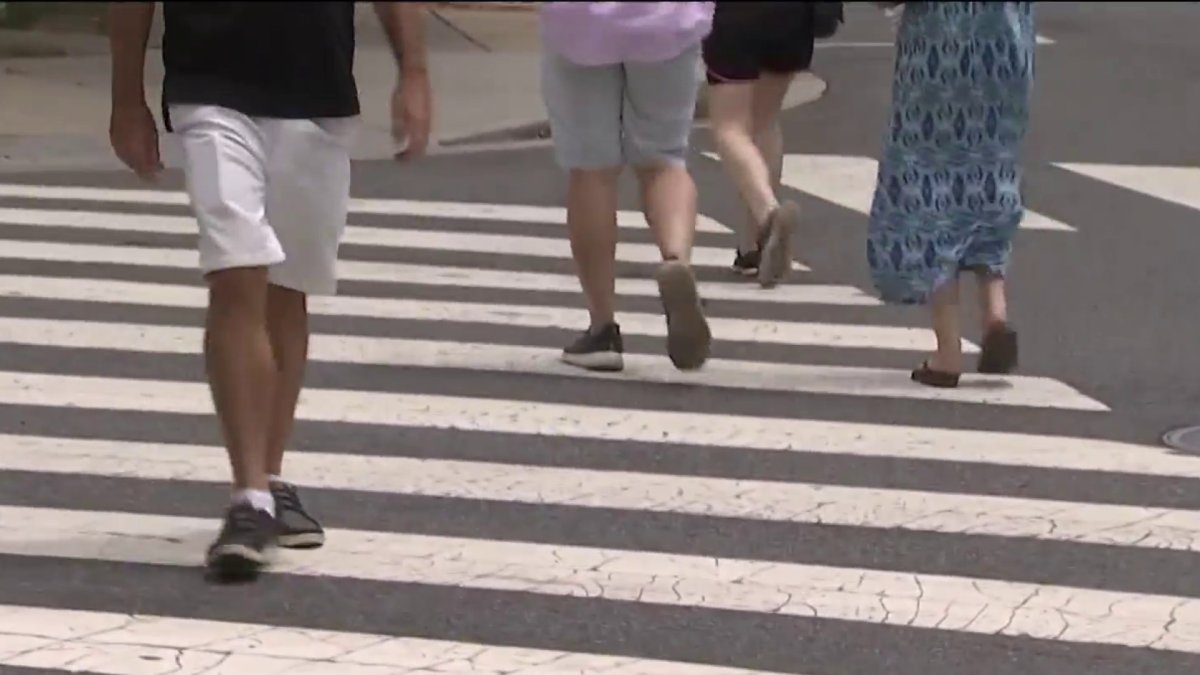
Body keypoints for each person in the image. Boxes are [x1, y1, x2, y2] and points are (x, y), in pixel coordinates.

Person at [107, 1, 432, 580]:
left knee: (287, 288)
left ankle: (270, 477)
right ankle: (249, 495)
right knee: (236, 272)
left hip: (318, 90)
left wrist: (414, 73)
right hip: (209, 84)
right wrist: (125, 96)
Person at [540, 1, 714, 373]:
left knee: (591, 170)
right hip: (667, 21)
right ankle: (676, 261)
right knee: (664, 159)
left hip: (581, 23)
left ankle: (603, 328)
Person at [865, 2, 1033, 387]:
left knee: (929, 185)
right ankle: (995, 312)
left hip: (938, 54)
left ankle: (948, 350)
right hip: (1006, 51)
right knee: (990, 175)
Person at [702, 3, 817, 288]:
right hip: (792, 16)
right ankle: (753, 247)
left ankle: (767, 214)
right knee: (765, 121)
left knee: (730, 127)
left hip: (735, 16)